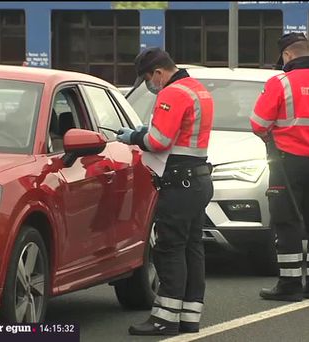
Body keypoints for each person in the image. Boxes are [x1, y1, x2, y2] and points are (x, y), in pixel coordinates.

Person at [117, 47, 214, 336]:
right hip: (198, 179)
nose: (150, 85)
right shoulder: (198, 89)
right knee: (192, 248)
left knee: (169, 248)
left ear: (158, 73)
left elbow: (159, 142)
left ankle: (165, 318)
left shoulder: (172, 93)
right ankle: (188, 316)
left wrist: (134, 136)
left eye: (149, 79)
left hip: (179, 181)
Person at [251, 33, 309, 302]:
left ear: (287, 55)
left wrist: (278, 134)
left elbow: (258, 123)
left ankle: (289, 284)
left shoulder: (281, 83)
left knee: (286, 221)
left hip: (287, 162)